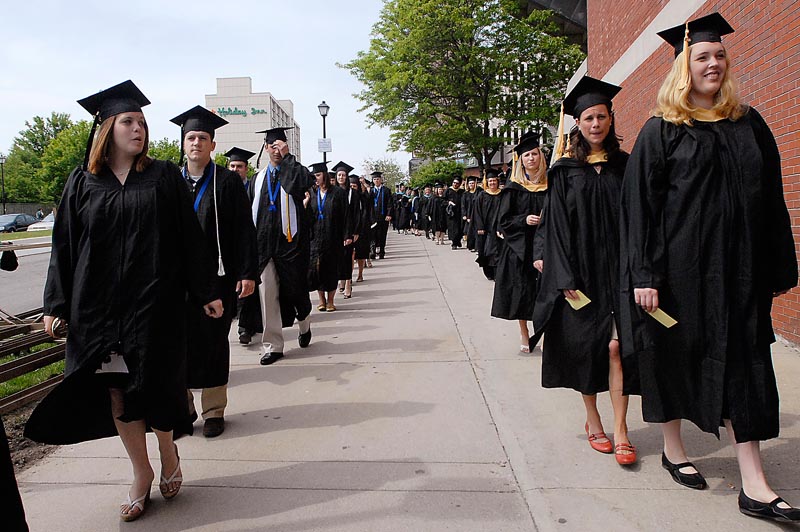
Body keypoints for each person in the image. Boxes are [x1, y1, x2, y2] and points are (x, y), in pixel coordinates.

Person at [620, 13, 799, 521]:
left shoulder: (750, 122)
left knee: (747, 368)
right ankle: (675, 450)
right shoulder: (662, 131)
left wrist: (774, 265)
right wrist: (643, 275)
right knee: (674, 356)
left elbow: (771, 199)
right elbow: (640, 211)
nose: (713, 63)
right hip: (679, 276)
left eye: (719, 55)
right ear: (684, 66)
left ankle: (755, 484)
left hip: (740, 274)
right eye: (702, 56)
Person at [24, 81, 223, 521]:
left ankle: (168, 452)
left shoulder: (163, 176)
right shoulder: (82, 182)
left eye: (142, 123)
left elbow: (189, 238)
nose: (139, 129)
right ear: (107, 128)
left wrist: (206, 290)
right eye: (129, 122)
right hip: (99, 311)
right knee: (117, 393)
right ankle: (141, 472)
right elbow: (66, 247)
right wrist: (56, 305)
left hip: (154, 305)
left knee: (157, 388)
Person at [532, 77, 636, 466]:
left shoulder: (626, 166)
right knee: (587, 349)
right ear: (578, 123)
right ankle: (594, 420)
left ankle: (622, 430)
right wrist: (563, 279)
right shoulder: (564, 171)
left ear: (611, 119)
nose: (596, 124)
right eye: (589, 117)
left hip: (620, 271)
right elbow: (555, 227)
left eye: (602, 116)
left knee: (616, 348)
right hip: (580, 275)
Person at [170, 106, 258, 438]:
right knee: (179, 347)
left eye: (202, 138)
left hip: (218, 280)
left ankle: (213, 410)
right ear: (183, 143)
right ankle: (184, 408)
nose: (196, 143)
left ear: (212, 145)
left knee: (214, 345)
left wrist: (247, 272)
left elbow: (244, 231)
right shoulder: (170, 181)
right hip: (179, 283)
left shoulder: (228, 183)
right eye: (191, 137)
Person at [250, 126, 314, 365]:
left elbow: (302, 184)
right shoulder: (256, 179)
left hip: (291, 246)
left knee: (297, 292)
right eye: (272, 146)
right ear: (266, 148)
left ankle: (304, 322)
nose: (276, 149)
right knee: (267, 294)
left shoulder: (295, 172)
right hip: (264, 247)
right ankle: (273, 345)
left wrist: (288, 159)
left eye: (280, 145)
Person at [490, 133, 548, 354]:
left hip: (545, 247)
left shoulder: (550, 184)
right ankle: (525, 332)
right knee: (523, 293)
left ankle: (543, 332)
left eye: (534, 154)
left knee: (544, 292)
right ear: (521, 160)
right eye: (527, 155)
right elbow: (503, 221)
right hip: (519, 249)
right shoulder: (514, 188)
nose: (531, 158)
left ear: (540, 157)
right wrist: (524, 220)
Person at [225, 147, 263, 345]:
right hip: (228, 247)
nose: (235, 169)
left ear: (246, 169)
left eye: (239, 166)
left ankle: (244, 327)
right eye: (232, 166)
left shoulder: (253, 188)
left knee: (247, 287)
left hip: (250, 244)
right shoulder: (222, 187)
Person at [308, 162, 348, 311]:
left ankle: (331, 300)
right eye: (314, 176)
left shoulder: (338, 193)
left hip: (333, 237)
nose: (315, 178)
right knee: (318, 270)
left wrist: (346, 235)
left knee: (331, 269)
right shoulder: (311, 193)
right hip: (315, 238)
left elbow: (345, 215)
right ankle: (321, 300)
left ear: (325, 175)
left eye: (318, 175)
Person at [332, 162, 360, 298]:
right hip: (335, 231)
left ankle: (348, 284)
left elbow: (356, 213)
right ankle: (341, 281)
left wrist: (355, 231)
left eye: (343, 175)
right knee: (338, 258)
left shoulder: (352, 193)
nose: (341, 177)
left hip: (349, 230)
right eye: (339, 175)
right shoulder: (332, 192)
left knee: (348, 257)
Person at [473, 169, 502, 280]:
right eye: (490, 181)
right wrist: (480, 227)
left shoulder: (502, 194)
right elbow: (477, 213)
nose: (492, 183)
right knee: (487, 251)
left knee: (497, 251)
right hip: (486, 228)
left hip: (499, 227)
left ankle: (497, 272)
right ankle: (488, 271)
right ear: (487, 183)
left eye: (494, 181)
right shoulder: (482, 195)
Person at [370, 171, 393, 259]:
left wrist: (389, 214)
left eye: (378, 179)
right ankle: (373, 250)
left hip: (383, 216)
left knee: (382, 234)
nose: (376, 181)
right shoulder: (371, 191)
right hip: (373, 216)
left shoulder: (386, 190)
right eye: (375, 179)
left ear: (381, 180)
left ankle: (382, 251)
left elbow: (390, 204)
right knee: (373, 234)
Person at [461, 176, 480, 251]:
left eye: (473, 183)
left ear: (475, 183)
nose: (471, 184)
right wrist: (464, 215)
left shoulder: (479, 192)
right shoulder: (465, 194)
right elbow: (463, 205)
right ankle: (471, 246)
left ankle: (477, 247)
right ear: (468, 184)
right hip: (469, 215)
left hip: (477, 214)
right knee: (470, 231)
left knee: (477, 231)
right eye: (470, 183)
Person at [444, 177, 464, 249]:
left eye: (457, 183)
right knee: (453, 228)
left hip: (460, 212)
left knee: (460, 228)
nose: (455, 184)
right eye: (454, 183)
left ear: (459, 184)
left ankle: (458, 241)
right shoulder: (448, 191)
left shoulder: (462, 191)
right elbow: (443, 200)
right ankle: (454, 243)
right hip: (451, 213)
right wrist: (448, 202)